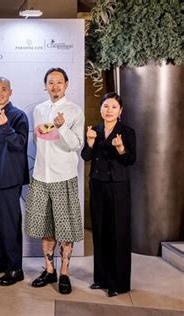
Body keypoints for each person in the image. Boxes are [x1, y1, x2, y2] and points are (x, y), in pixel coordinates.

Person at [25, 67, 84, 295]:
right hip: (41, 176)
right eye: (51, 82)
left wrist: (62, 128)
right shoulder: (39, 110)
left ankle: (65, 273)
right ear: (46, 85)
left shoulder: (74, 111)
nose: (55, 86)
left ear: (67, 84)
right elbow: (39, 138)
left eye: (59, 82)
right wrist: (53, 129)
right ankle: (49, 269)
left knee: (65, 230)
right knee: (46, 227)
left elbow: (77, 144)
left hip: (63, 177)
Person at [81, 92, 136, 297]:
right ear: (101, 109)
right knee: (101, 233)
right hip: (97, 186)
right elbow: (85, 156)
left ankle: (118, 283)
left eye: (113, 107)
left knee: (118, 234)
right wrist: (90, 142)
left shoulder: (127, 132)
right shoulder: (94, 130)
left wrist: (121, 149)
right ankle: (101, 278)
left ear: (120, 111)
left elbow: (131, 160)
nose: (109, 110)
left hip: (118, 188)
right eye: (106, 106)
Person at [0, 77, 30, 286]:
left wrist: (7, 127)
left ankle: (15, 268)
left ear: (11, 91)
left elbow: (20, 144)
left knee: (10, 225)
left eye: (3, 89)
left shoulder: (18, 116)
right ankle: (1, 261)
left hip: (9, 180)